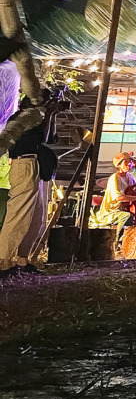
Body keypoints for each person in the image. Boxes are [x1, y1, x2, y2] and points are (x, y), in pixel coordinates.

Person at [0, 92, 60, 279]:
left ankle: (22, 260)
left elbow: (51, 138)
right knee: (19, 214)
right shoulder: (23, 118)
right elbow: (42, 137)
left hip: (34, 165)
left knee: (36, 217)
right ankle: (3, 261)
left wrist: (53, 115)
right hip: (23, 164)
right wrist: (49, 114)